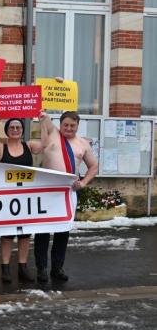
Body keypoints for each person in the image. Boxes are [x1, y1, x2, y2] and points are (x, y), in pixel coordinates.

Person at [36, 104, 98, 282]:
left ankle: (57, 268)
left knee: (62, 232)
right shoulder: (53, 132)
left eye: (72, 126)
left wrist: (84, 182)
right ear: (60, 124)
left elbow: (93, 166)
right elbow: (42, 113)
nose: (69, 128)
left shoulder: (82, 144)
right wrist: (42, 104)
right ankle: (41, 268)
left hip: (68, 193)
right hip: (47, 191)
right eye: (66, 125)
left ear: (77, 126)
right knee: (43, 231)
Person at [0, 113, 44, 283]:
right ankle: (5, 269)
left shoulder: (29, 146)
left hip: (26, 196)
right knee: (7, 234)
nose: (15, 130)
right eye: (12, 128)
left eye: (18, 127)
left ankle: (23, 267)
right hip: (8, 197)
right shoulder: (1, 147)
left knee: (24, 234)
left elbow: (47, 142)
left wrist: (43, 120)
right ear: (7, 131)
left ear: (22, 131)